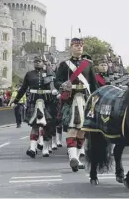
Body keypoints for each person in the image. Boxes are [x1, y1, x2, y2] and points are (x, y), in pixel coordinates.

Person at [54, 37, 98, 172]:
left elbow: (93, 84)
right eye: (76, 45)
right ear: (71, 47)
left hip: (85, 98)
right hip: (70, 98)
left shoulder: (88, 64)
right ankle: (72, 157)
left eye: (81, 46)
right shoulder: (64, 65)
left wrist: (96, 100)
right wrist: (62, 85)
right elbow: (56, 81)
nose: (79, 48)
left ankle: (77, 159)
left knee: (82, 130)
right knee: (73, 127)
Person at [11, 55, 58, 158]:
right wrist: (15, 101)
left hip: (47, 101)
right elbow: (23, 89)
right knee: (34, 126)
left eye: (39, 61)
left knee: (47, 126)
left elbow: (54, 86)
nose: (37, 63)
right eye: (35, 61)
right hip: (34, 101)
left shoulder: (49, 74)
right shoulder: (29, 74)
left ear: (43, 63)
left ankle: (45, 148)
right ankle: (32, 148)